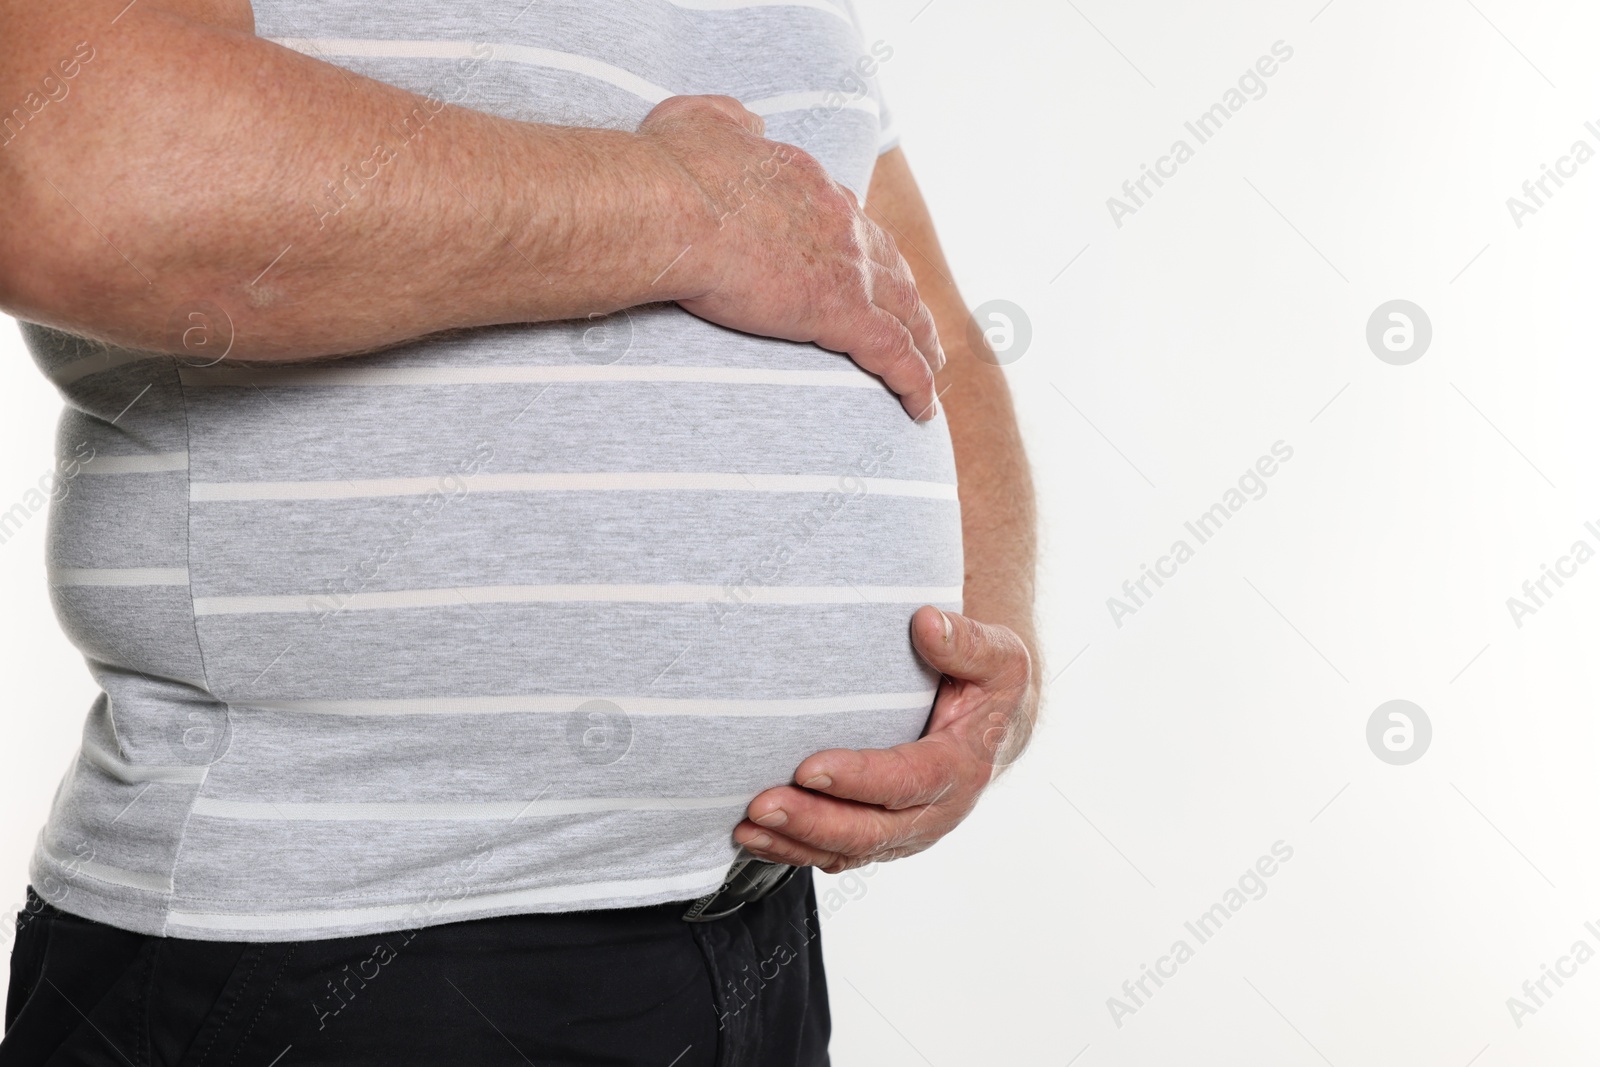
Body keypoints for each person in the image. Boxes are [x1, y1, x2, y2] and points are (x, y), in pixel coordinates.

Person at [0, 0, 1039, 1061]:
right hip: (331, 950)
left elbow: (914, 307)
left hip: (750, 935)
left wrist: (990, 671)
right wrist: (687, 209)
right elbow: (75, 166)